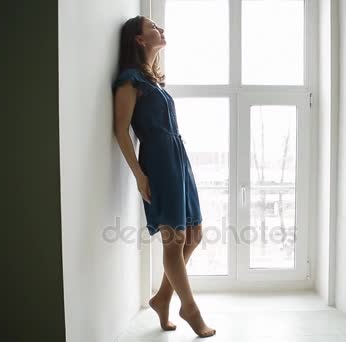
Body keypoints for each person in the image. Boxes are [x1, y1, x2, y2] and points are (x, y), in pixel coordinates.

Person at [112, 15, 216, 338]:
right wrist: (140, 175)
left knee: (194, 234)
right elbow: (120, 130)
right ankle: (191, 310)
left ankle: (162, 298)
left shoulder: (153, 80)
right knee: (175, 239)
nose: (161, 30)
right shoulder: (130, 80)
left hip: (177, 158)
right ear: (139, 40)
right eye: (153, 27)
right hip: (158, 160)